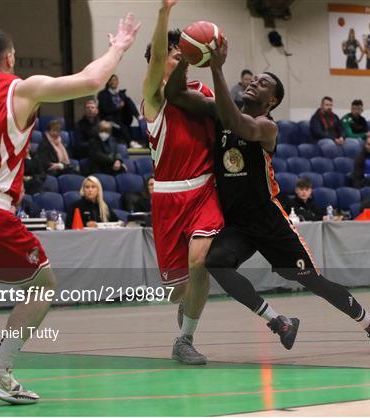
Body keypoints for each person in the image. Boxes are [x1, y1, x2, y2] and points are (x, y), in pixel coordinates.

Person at [0, 16, 139, 404]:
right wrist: (119, 46)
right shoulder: (22, 89)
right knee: (42, 285)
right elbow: (91, 81)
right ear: (9, 58)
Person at [165, 35, 370, 356]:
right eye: (253, 79)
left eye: (262, 84)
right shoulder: (221, 113)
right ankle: (278, 322)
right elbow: (173, 95)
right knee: (216, 263)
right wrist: (189, 57)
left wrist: (216, 68)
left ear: (271, 101)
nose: (253, 83)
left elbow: (238, 123)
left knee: (311, 281)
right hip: (238, 223)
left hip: (270, 222)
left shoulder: (266, 126)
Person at [142, 0, 224, 365]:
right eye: (173, 55)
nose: (177, 59)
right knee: (181, 289)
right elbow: (159, 57)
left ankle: (185, 339)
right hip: (168, 197)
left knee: (199, 263)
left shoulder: (203, 93)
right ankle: (187, 309)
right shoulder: (154, 98)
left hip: (204, 188)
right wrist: (163, 14)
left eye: (182, 54)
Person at [97, 74, 144, 148]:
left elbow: (126, 105)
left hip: (123, 116)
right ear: (108, 82)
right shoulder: (103, 94)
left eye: (115, 80)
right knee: (122, 124)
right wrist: (118, 107)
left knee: (127, 100)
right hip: (110, 117)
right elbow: (105, 109)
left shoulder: (121, 93)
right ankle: (130, 142)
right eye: (112, 80)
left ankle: (139, 116)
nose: (114, 82)